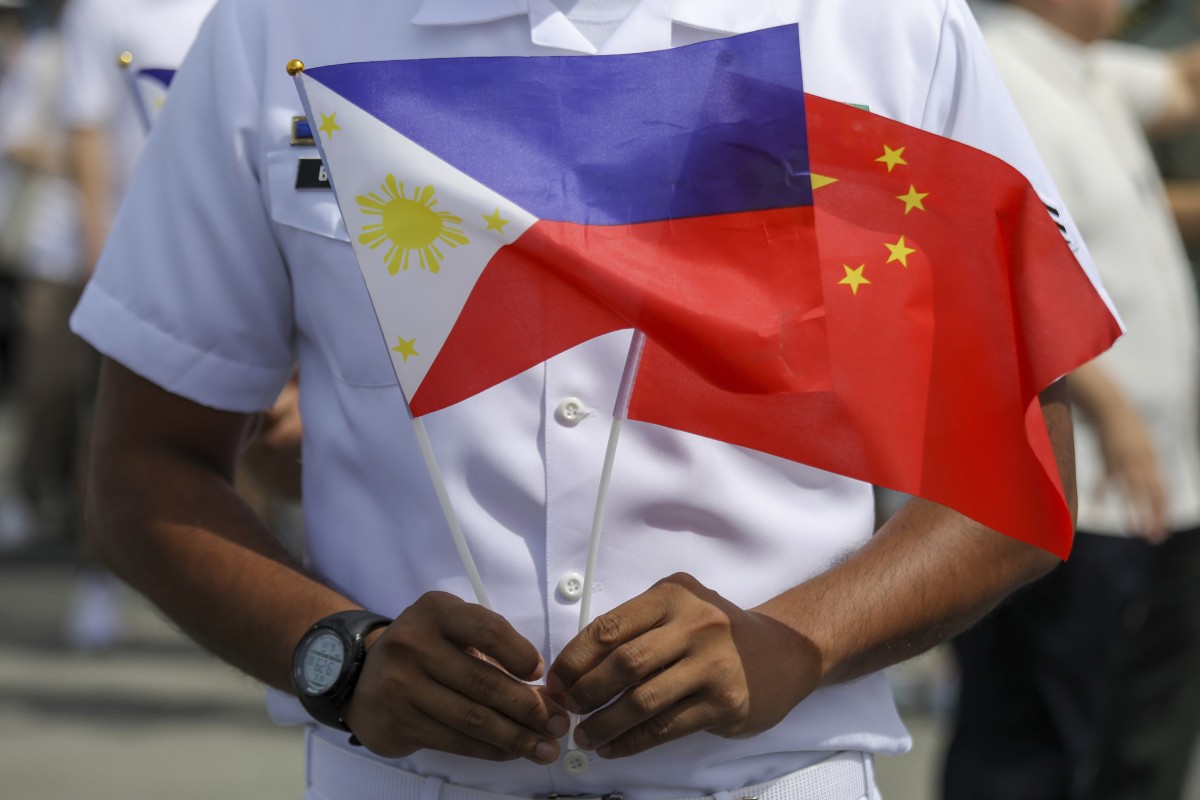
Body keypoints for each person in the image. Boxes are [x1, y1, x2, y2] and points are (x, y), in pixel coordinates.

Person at [70, 1, 1098, 798]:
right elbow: (142, 464)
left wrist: (796, 641)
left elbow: (1025, 465)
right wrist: (339, 656)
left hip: (773, 776)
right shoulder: (283, 26)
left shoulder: (878, 26)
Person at [943, 3, 1200, 799]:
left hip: (1157, 480)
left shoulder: (1086, 69)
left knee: (1135, 742)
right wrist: (1112, 412)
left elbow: (1183, 83)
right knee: (1037, 745)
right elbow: (999, 256)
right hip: (1080, 480)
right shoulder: (998, 71)